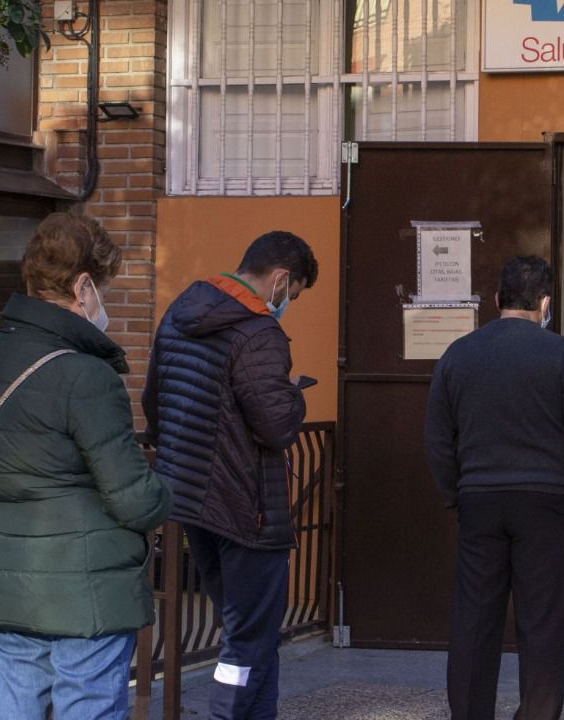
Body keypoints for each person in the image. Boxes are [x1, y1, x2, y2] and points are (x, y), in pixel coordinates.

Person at [0, 210, 172, 720]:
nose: (105, 302)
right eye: (105, 289)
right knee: (88, 704)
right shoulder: (86, 376)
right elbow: (132, 496)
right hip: (86, 588)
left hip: (8, 578)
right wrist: (166, 494)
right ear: (83, 286)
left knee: (14, 699)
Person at [142, 231, 316, 719]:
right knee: (246, 639)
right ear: (280, 279)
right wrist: (295, 394)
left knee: (251, 632)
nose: (288, 305)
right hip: (248, 508)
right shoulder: (258, 333)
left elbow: (153, 404)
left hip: (192, 500)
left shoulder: (180, 312)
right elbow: (277, 424)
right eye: (293, 295)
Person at [425, 255, 564, 720]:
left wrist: (455, 493)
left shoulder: (458, 354)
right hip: (549, 504)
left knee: (474, 622)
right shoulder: (562, 354)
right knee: (542, 627)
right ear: (545, 303)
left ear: (499, 299)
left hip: (480, 500)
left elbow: (438, 440)